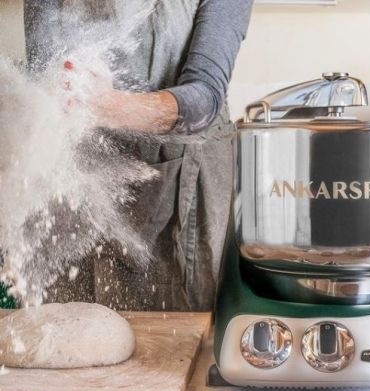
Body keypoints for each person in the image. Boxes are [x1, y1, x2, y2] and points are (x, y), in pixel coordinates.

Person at [23, 0, 254, 311]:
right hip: (77, 175)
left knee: (175, 338)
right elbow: (43, 69)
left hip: (178, 185)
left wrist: (106, 105)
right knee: (67, 326)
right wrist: (59, 89)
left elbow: (204, 98)